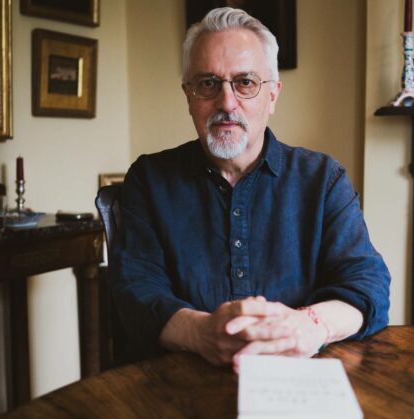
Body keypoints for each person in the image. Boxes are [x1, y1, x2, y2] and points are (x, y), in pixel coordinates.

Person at [109, 7, 390, 371]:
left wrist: (309, 325)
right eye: (208, 83)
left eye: (245, 83)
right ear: (188, 96)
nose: (227, 103)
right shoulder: (149, 179)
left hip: (299, 381)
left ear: (272, 95)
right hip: (179, 386)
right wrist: (201, 332)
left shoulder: (323, 179)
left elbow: (368, 285)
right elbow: (135, 291)